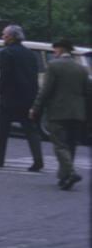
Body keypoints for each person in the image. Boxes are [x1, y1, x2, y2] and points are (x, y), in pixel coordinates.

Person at [31, 37, 87, 190]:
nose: (54, 52)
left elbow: (45, 90)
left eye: (55, 49)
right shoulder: (81, 69)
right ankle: (65, 177)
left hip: (58, 111)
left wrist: (35, 108)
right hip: (77, 113)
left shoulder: (54, 66)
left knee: (59, 145)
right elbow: (87, 93)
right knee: (70, 145)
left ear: (61, 49)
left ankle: (71, 172)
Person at [0, 24, 43, 171]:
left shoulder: (6, 53)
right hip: (28, 96)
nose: (2, 37)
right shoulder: (30, 54)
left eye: (4, 35)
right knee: (30, 129)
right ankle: (38, 160)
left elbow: (5, 76)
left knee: (2, 129)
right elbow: (33, 76)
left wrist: (1, 91)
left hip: (10, 97)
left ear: (11, 37)